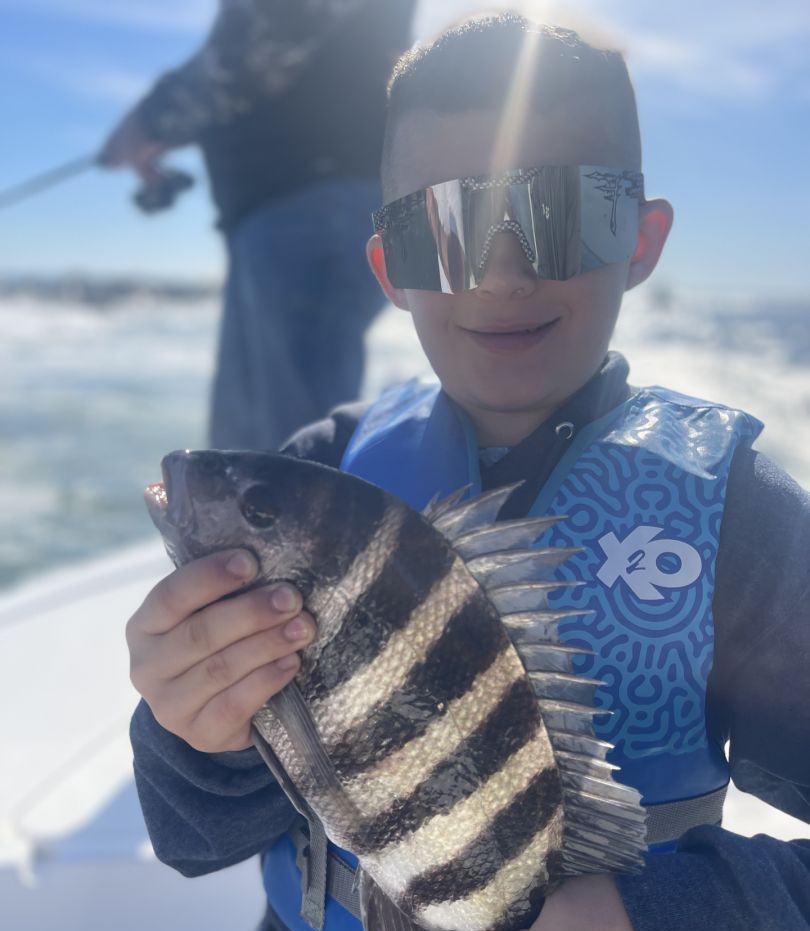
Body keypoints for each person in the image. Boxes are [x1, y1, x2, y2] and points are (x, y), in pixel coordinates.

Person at [124, 13, 810, 931]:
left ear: (639, 240)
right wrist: (194, 733)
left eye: (562, 214)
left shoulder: (743, 518)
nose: (502, 271)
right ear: (388, 267)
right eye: (445, 228)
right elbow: (190, 834)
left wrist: (666, 908)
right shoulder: (313, 477)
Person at [100, 0, 415, 451]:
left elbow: (273, 30)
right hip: (316, 209)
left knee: (279, 463)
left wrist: (153, 119)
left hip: (305, 212)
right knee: (262, 456)